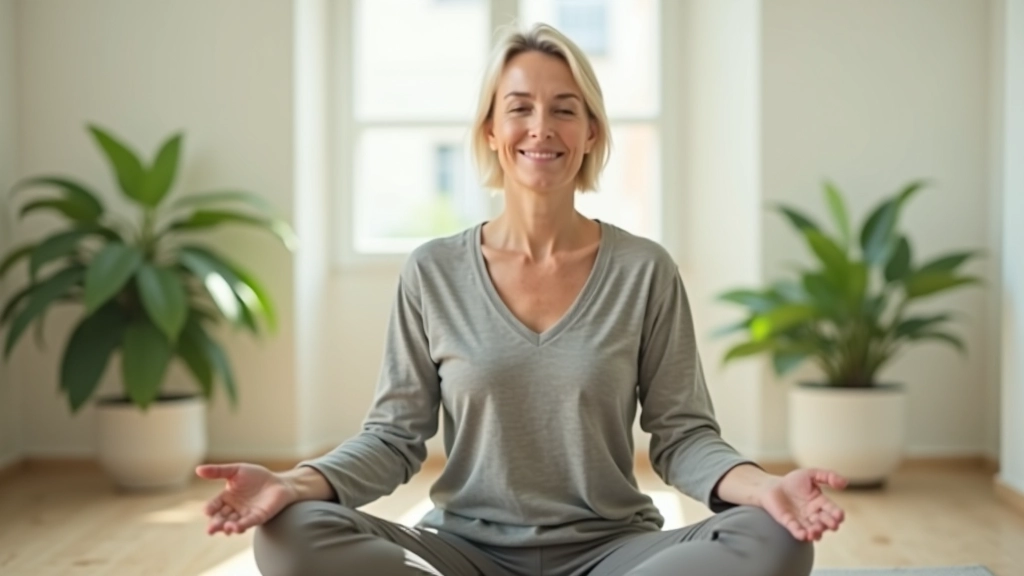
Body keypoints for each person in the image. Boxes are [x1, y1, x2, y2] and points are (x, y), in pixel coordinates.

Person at [196, 23, 848, 576]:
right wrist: (290, 484)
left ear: (591, 131)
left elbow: (682, 437)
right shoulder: (433, 271)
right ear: (490, 129)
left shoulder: (644, 269)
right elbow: (394, 439)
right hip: (464, 552)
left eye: (565, 108)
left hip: (611, 551)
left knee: (774, 539)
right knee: (290, 533)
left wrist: (766, 488)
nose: (542, 127)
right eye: (520, 107)